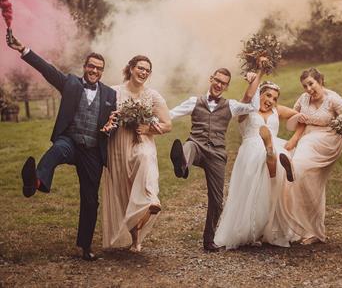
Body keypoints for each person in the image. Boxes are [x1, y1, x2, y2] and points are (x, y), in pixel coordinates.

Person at [6, 34, 116, 261]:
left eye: (99, 68)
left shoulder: (110, 94)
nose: (94, 70)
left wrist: (109, 129)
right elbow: (46, 69)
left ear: (102, 72)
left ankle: (85, 247)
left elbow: (114, 121)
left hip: (93, 150)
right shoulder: (71, 83)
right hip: (70, 141)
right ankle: (35, 181)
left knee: (90, 199)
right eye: (91, 66)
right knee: (56, 150)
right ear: (84, 67)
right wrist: (23, 49)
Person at [169, 65, 263, 252]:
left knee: (217, 200)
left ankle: (209, 240)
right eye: (217, 80)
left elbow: (253, 107)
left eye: (223, 83)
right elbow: (171, 114)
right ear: (211, 78)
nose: (219, 85)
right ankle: (181, 165)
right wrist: (151, 121)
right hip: (197, 145)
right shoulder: (194, 101)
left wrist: (255, 83)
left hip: (217, 153)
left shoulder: (231, 105)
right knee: (188, 146)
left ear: (226, 86)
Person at [213, 81, 299, 249]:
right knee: (258, 184)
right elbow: (247, 97)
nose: (271, 101)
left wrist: (295, 138)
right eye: (267, 95)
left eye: (274, 98)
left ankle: (274, 155)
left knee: (272, 184)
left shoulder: (276, 110)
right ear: (259, 94)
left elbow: (300, 117)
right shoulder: (247, 110)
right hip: (251, 148)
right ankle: (272, 154)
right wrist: (256, 77)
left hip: (275, 145)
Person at [100, 55, 172, 252]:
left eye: (147, 70)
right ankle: (135, 240)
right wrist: (109, 122)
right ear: (131, 68)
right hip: (118, 145)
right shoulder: (113, 92)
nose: (144, 72)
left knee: (145, 159)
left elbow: (168, 125)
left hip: (142, 141)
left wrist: (148, 128)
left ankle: (151, 199)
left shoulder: (153, 96)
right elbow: (103, 118)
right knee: (125, 191)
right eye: (140, 68)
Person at [281, 67, 342, 245]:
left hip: (328, 140)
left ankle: (294, 166)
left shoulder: (333, 99)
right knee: (310, 184)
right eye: (305, 86)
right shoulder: (303, 99)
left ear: (320, 81)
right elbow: (291, 118)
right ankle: (311, 231)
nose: (309, 89)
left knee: (303, 155)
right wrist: (295, 117)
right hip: (308, 138)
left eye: (311, 84)